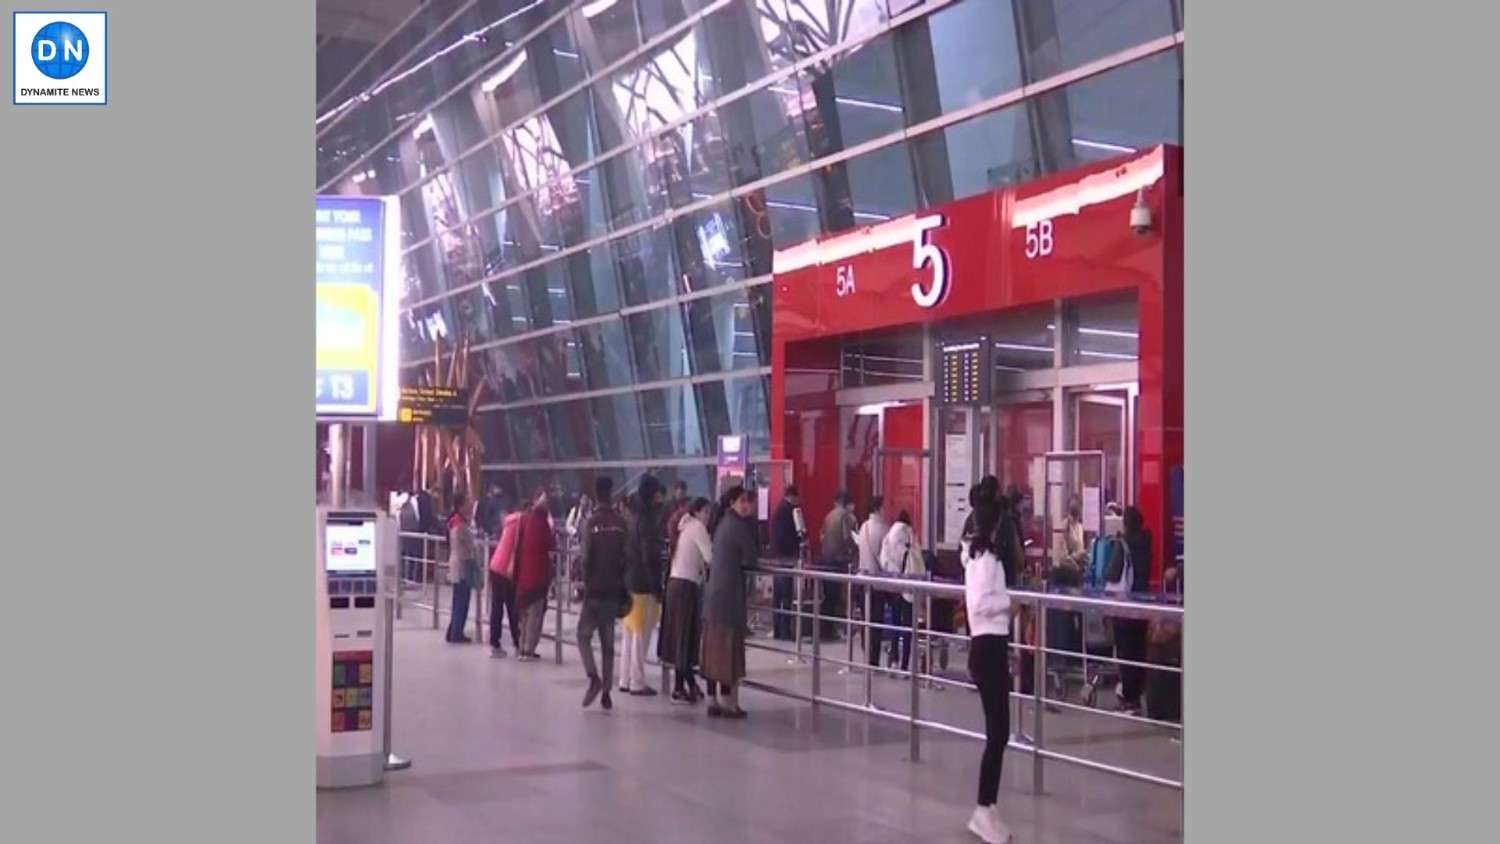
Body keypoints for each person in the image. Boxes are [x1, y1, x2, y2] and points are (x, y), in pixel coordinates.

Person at [963, 502, 1015, 844]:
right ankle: (983, 808)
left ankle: (988, 805)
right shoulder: (986, 562)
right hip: (987, 647)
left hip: (991, 647)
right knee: (997, 733)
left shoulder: (981, 559)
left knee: (1000, 732)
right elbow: (980, 604)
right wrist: (1009, 603)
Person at [702, 485, 758, 719]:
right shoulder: (737, 526)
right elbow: (751, 557)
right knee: (728, 653)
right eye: (743, 501)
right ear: (733, 502)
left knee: (712, 651)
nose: (747, 506)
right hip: (729, 599)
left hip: (714, 598)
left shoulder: (722, 523)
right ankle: (729, 703)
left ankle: (713, 700)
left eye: (749, 501)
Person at [578, 477, 629, 710]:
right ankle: (607, 692)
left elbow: (586, 557)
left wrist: (586, 582)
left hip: (595, 589)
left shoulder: (591, 523)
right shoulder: (621, 523)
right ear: (612, 494)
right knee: (607, 642)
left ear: (596, 495)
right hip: (613, 589)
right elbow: (627, 557)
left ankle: (593, 677)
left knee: (583, 635)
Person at [662, 497, 713, 704]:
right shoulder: (697, 527)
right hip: (686, 586)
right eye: (707, 512)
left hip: (676, 584)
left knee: (682, 636)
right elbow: (710, 557)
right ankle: (679, 687)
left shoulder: (684, 526)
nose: (708, 517)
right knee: (686, 636)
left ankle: (686, 684)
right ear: (698, 512)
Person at [621, 475, 667, 696]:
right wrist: (657, 588)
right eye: (658, 492)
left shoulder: (630, 514)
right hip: (643, 584)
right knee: (641, 634)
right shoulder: (647, 520)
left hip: (629, 580)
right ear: (651, 494)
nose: (660, 496)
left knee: (630, 633)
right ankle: (637, 681)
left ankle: (625, 678)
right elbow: (650, 556)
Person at [1107, 506, 1153, 713]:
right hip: (1142, 602)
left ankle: (1129, 698)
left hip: (1125, 605)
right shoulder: (1146, 543)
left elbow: (1113, 573)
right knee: (1138, 650)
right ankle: (1138, 694)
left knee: (1126, 651)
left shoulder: (1123, 544)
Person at [876, 510, 925, 672]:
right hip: (908, 585)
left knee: (895, 623)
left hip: (895, 584)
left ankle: (893, 659)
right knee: (908, 625)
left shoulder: (889, 535)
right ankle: (905, 664)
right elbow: (917, 560)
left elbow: (883, 559)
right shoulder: (909, 534)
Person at [513, 489, 555, 661]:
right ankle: (528, 650)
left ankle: (522, 647)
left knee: (524, 614)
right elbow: (550, 543)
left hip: (524, 573)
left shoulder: (526, 519)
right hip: (538, 574)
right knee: (535, 614)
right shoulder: (542, 522)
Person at [486, 500, 525, 658]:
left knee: (497, 607)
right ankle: (518, 643)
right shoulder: (521, 523)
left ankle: (495, 644)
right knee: (512, 607)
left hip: (495, 565)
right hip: (506, 570)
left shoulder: (509, 521)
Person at [444, 491, 479, 644]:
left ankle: (453, 630)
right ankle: (456, 633)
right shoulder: (460, 524)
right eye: (467, 503)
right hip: (463, 565)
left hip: (457, 563)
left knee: (458, 599)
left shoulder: (456, 521)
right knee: (461, 601)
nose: (470, 506)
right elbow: (469, 545)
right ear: (461, 506)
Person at [769, 485, 802, 640]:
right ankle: (784, 631)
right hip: (785, 558)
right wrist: (797, 542)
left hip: (778, 557)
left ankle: (778, 629)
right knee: (785, 595)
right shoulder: (787, 511)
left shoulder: (779, 510)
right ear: (792, 496)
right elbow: (785, 536)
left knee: (778, 596)